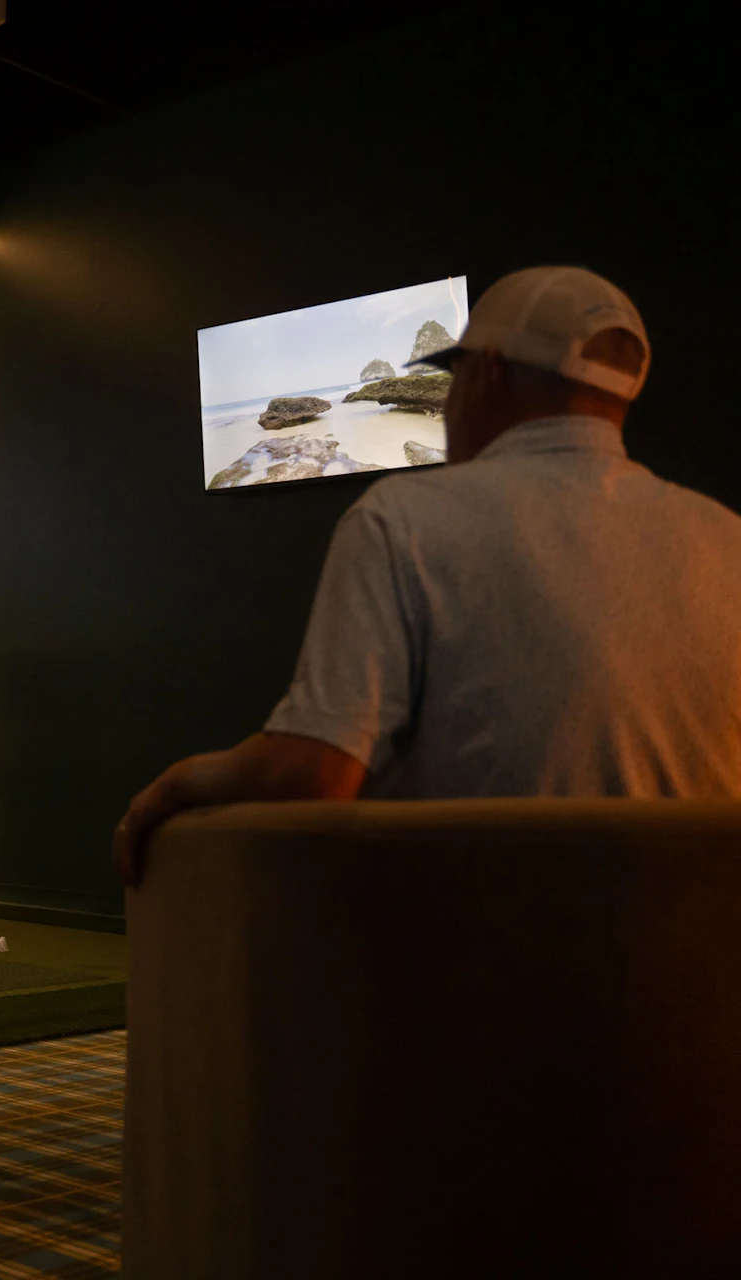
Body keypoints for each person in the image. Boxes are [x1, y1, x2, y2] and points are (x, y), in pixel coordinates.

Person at [115, 266, 741, 886]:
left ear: (488, 372)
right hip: (701, 964)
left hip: (492, 959)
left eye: (453, 375)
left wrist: (178, 782)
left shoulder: (402, 521)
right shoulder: (724, 536)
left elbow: (313, 773)